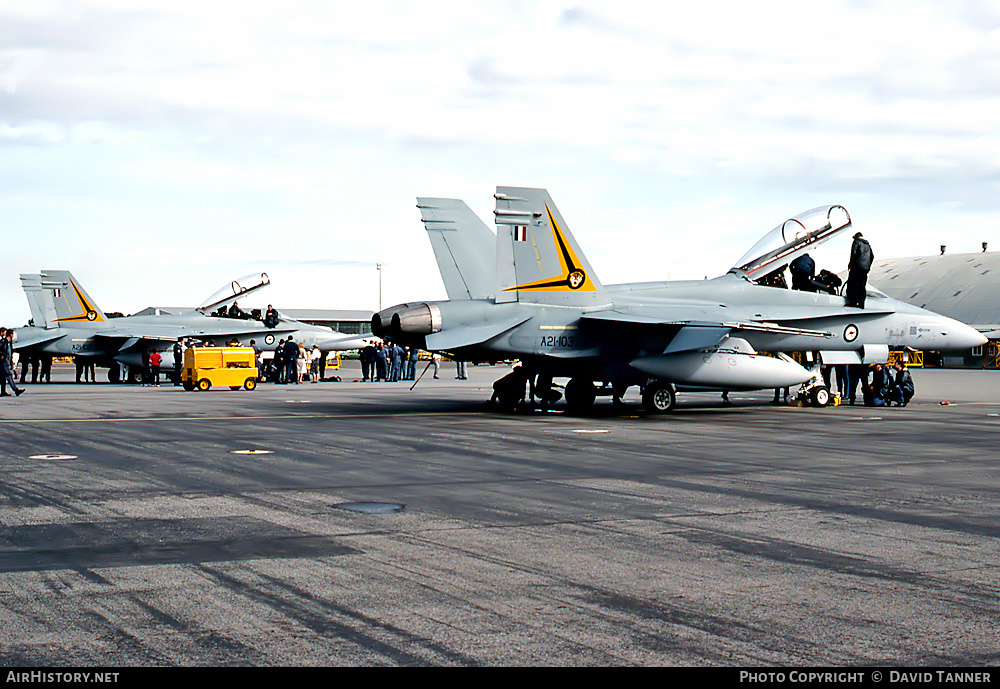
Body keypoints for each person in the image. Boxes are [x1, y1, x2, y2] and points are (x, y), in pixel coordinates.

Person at [846, 232, 874, 308]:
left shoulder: (856, 242)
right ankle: (861, 303)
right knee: (862, 285)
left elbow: (853, 254)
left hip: (856, 267)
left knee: (853, 284)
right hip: (864, 269)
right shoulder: (867, 245)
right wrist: (868, 266)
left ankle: (853, 302)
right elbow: (872, 256)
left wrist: (850, 264)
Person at [0, 328, 24, 397]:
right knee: (8, 376)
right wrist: (2, 356)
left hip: (7, 362)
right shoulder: (4, 342)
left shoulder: (8, 343)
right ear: (10, 334)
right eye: (12, 334)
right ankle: (16, 390)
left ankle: (3, 392)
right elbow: (3, 351)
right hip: (4, 362)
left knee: (3, 378)